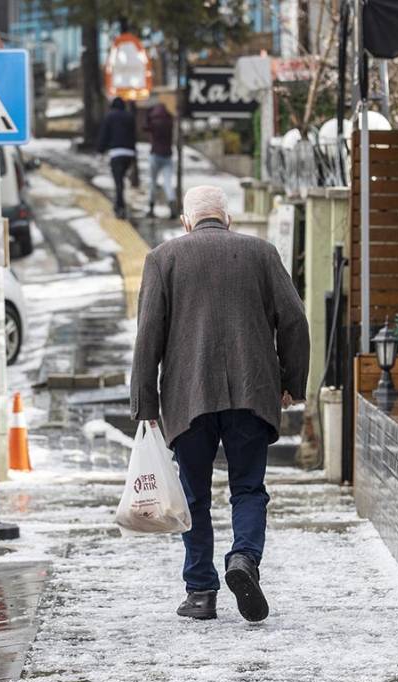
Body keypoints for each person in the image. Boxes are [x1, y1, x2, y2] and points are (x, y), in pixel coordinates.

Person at [130, 186, 309, 623]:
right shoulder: (262, 253)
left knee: (193, 496)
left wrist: (145, 407)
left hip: (187, 398)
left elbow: (147, 337)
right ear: (228, 220)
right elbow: (295, 321)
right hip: (252, 392)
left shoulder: (163, 259)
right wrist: (291, 382)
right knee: (248, 488)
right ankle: (243, 559)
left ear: (186, 221)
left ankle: (200, 593)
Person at [97, 97, 137, 219]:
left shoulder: (110, 116)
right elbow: (134, 135)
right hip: (129, 153)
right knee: (121, 180)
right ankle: (119, 204)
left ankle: (120, 207)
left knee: (118, 181)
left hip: (116, 153)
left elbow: (104, 134)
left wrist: (100, 149)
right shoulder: (129, 117)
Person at [144, 103, 175, 219]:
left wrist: (148, 115)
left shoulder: (154, 122)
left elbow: (145, 128)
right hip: (168, 156)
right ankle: (172, 208)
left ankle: (151, 208)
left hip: (155, 155)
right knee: (168, 183)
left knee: (152, 182)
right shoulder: (169, 121)